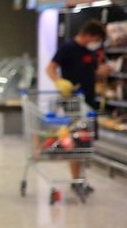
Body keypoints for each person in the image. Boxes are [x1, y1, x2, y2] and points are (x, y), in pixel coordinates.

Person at [46, 19, 111, 195]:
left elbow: (90, 73)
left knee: (86, 142)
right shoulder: (67, 48)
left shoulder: (89, 52)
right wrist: (58, 81)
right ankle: (76, 180)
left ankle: (80, 179)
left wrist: (101, 73)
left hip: (89, 102)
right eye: (96, 39)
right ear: (89, 35)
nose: (96, 43)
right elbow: (50, 68)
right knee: (76, 142)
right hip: (73, 103)